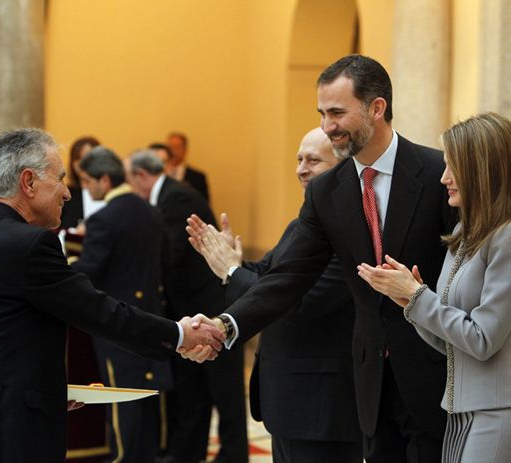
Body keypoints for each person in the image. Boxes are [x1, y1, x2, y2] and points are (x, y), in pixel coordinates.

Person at [186, 54, 458, 463]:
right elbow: (289, 278)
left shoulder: (438, 172)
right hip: (369, 386)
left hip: (437, 377)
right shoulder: (327, 192)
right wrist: (228, 325)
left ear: (376, 108)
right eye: (322, 113)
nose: (327, 126)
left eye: (336, 112)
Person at [0, 128, 224, 463]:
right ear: (28, 182)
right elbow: (98, 311)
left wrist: (39, 389)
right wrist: (179, 335)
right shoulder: (29, 244)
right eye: (59, 178)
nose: (67, 193)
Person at [187, 128, 363, 462]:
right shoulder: (302, 225)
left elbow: (296, 302)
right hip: (290, 400)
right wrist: (233, 262)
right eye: (298, 159)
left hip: (320, 406)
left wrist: (233, 271)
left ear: (342, 169)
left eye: (313, 160)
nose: (301, 169)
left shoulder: (348, 230)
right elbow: (268, 276)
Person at [357, 112, 511, 463]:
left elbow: (483, 340)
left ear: (480, 170)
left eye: (452, 167)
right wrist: (408, 303)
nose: (443, 179)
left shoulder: (506, 238)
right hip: (458, 410)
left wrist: (417, 297)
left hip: (497, 411)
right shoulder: (462, 235)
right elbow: (449, 342)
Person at [126, 150, 248, 463]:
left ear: (141, 176)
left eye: (129, 178)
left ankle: (233, 456)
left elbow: (171, 255)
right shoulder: (167, 196)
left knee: (225, 392)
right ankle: (186, 454)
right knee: (192, 392)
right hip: (188, 309)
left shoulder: (176, 198)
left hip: (212, 309)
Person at [72, 146, 173, 462]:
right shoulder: (151, 211)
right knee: (147, 400)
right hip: (151, 320)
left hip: (117, 323)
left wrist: (64, 263)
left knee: (119, 399)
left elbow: (90, 269)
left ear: (104, 179)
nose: (86, 188)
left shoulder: (104, 218)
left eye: (88, 181)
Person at [60, 135, 103, 229]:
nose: (82, 164)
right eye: (78, 158)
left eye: (88, 158)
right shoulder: (66, 195)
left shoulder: (109, 194)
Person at [166, 132, 210, 201]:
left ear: (185, 150)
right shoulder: (159, 174)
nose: (173, 151)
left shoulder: (198, 177)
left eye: (177, 147)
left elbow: (204, 204)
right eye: (170, 147)